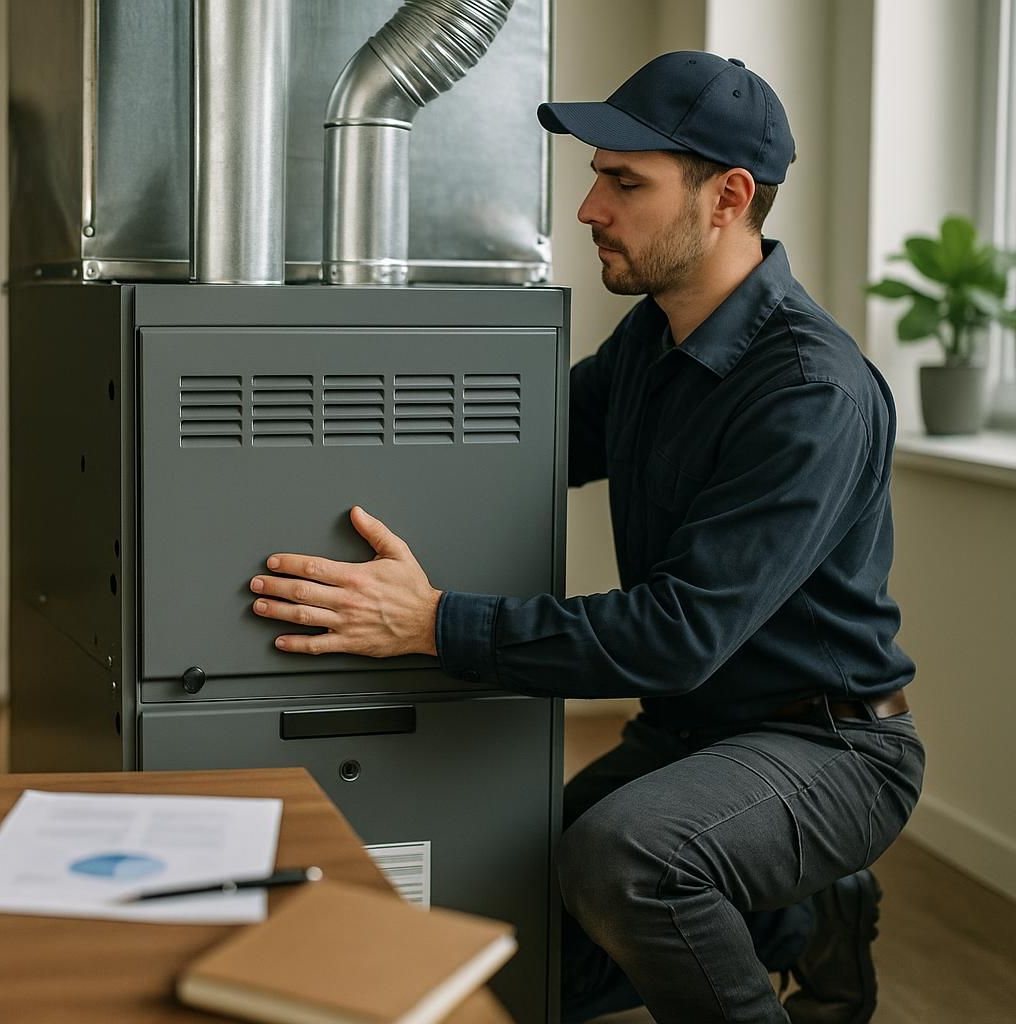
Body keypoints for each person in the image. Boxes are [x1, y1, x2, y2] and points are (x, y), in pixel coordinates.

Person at [245, 51, 924, 1024]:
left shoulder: (810, 392)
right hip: (692, 738)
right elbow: (515, 453)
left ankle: (790, 900)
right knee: (507, 942)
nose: (588, 208)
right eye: (597, 177)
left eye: (624, 181)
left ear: (727, 197)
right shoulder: (654, 340)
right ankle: (797, 918)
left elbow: (675, 633)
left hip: (830, 746)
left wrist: (437, 624)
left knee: (626, 858)